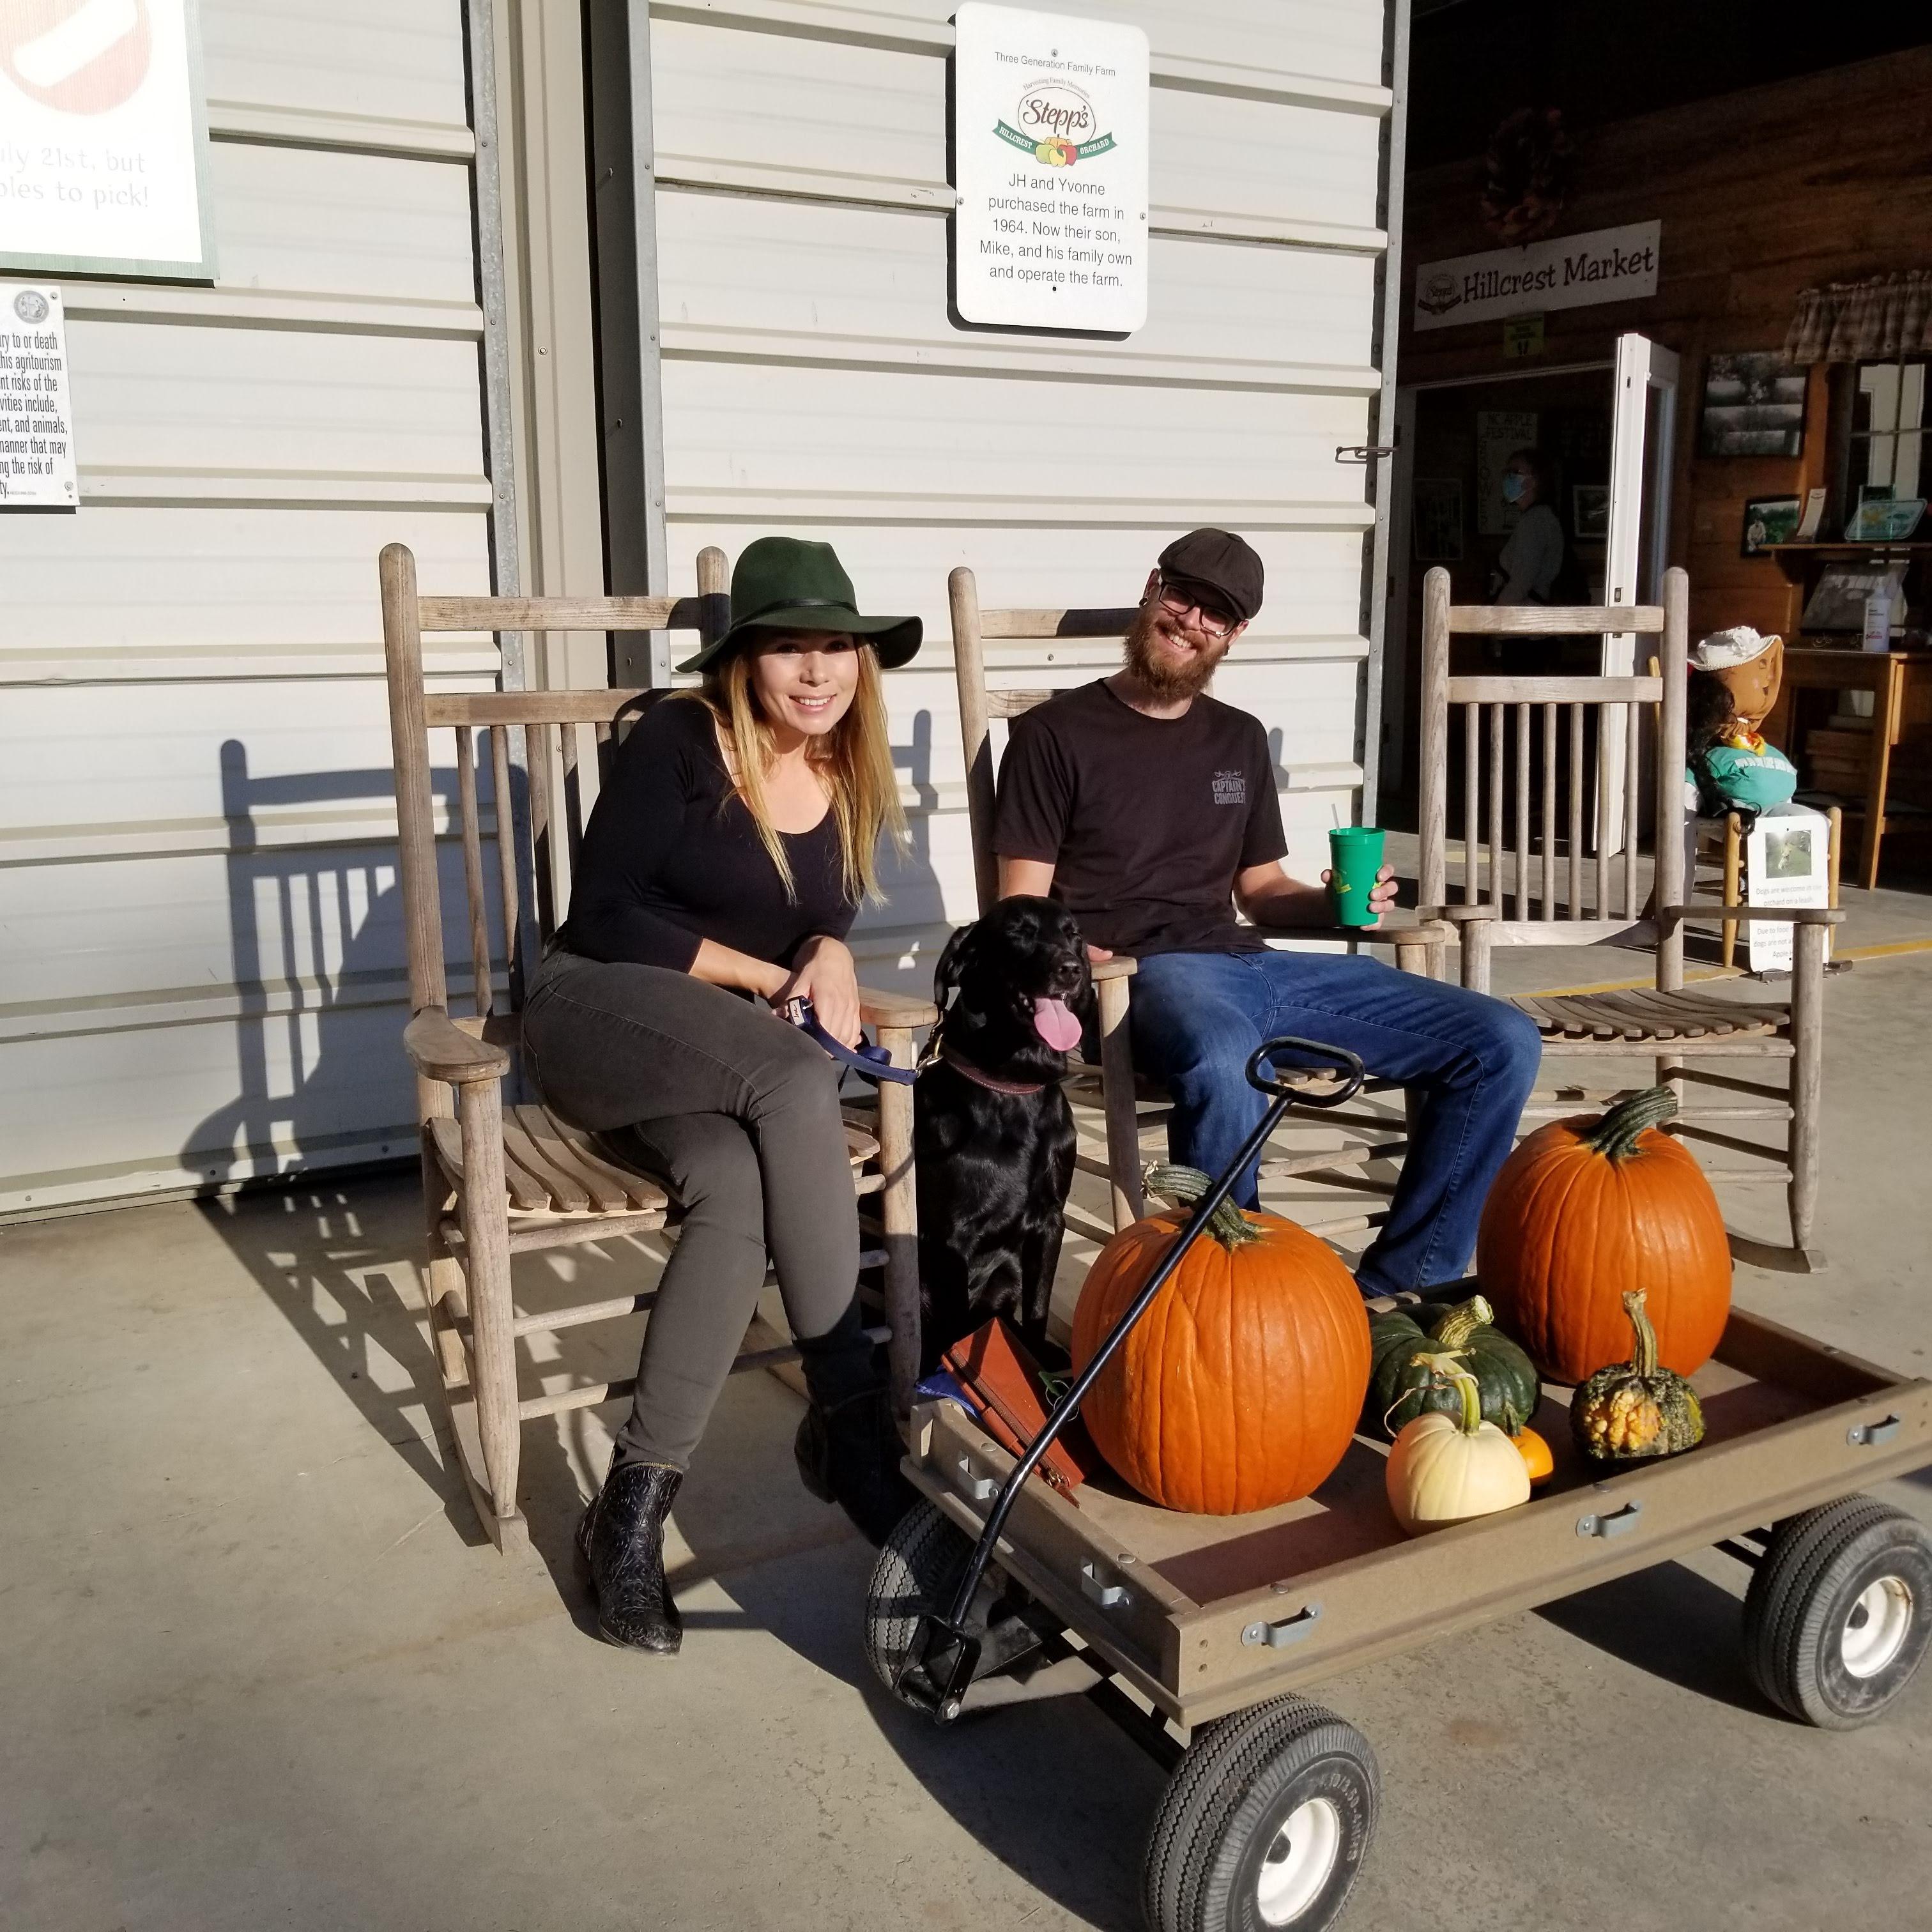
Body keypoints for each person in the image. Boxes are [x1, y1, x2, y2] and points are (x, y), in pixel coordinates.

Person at [521, 537, 921, 1655]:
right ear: (743, 660)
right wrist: (765, 979)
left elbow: (820, 914)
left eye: (835, 645)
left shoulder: (846, 765)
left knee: (733, 1185)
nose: (817, 670)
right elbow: (603, 914)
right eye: (789, 647)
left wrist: (829, 952)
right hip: (597, 1013)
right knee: (794, 1074)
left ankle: (628, 1507)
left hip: (716, 1060)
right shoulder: (679, 741)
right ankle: (850, 1419)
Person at [992, 528, 1542, 1302]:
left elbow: (1261, 890)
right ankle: (1230, 1297)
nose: (1190, 622)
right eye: (1181, 597)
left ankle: (1400, 1293)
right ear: (1152, 587)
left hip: (1251, 963)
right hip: (1141, 976)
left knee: (1500, 1039)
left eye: (1215, 614)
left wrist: (1340, 902)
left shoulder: (1239, 739)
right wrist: (1079, 961)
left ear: (1235, 633)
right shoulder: (1055, 735)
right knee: (1226, 1054)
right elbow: (1019, 906)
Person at [1491, 447, 1571, 605]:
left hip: (1522, 613)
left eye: (1514, 473)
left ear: (1533, 481)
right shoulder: (1542, 517)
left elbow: (1521, 583)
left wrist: (1494, 613)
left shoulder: (1535, 521)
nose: (1508, 478)